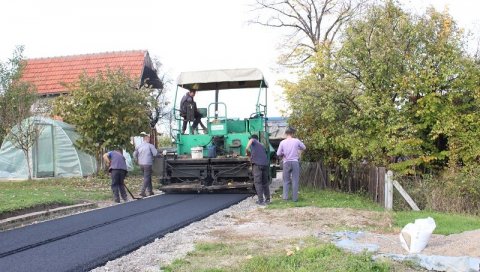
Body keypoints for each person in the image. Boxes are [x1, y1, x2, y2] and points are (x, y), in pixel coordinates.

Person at [276, 127, 306, 202]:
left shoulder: (282, 142)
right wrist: (298, 149)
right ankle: (294, 198)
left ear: (286, 134)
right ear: (292, 134)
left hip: (286, 162)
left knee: (286, 180)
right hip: (295, 162)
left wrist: (283, 153)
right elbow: (304, 147)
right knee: (295, 180)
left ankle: (285, 198)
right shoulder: (296, 141)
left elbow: (278, 153)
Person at [246, 134, 270, 205]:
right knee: (265, 183)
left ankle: (261, 200)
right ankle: (268, 199)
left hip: (257, 165)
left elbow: (251, 140)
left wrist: (246, 149)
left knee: (258, 182)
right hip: (265, 165)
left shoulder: (253, 141)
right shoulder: (261, 145)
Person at [134, 132, 158, 197]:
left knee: (148, 177)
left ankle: (150, 191)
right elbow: (155, 154)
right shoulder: (150, 146)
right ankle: (142, 191)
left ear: (143, 139)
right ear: (148, 139)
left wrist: (137, 160)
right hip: (148, 163)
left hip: (141, 164)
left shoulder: (139, 146)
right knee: (146, 177)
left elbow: (134, 154)